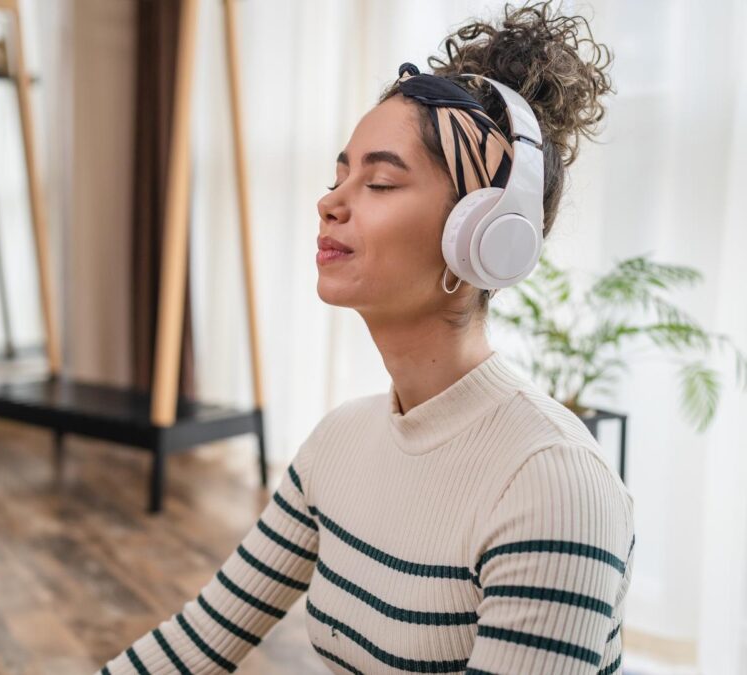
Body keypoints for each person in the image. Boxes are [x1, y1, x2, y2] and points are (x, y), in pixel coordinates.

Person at [97, 2, 630, 673]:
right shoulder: (337, 445)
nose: (332, 201)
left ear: (486, 236)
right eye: (339, 175)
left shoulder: (551, 482)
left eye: (378, 180)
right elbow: (195, 643)